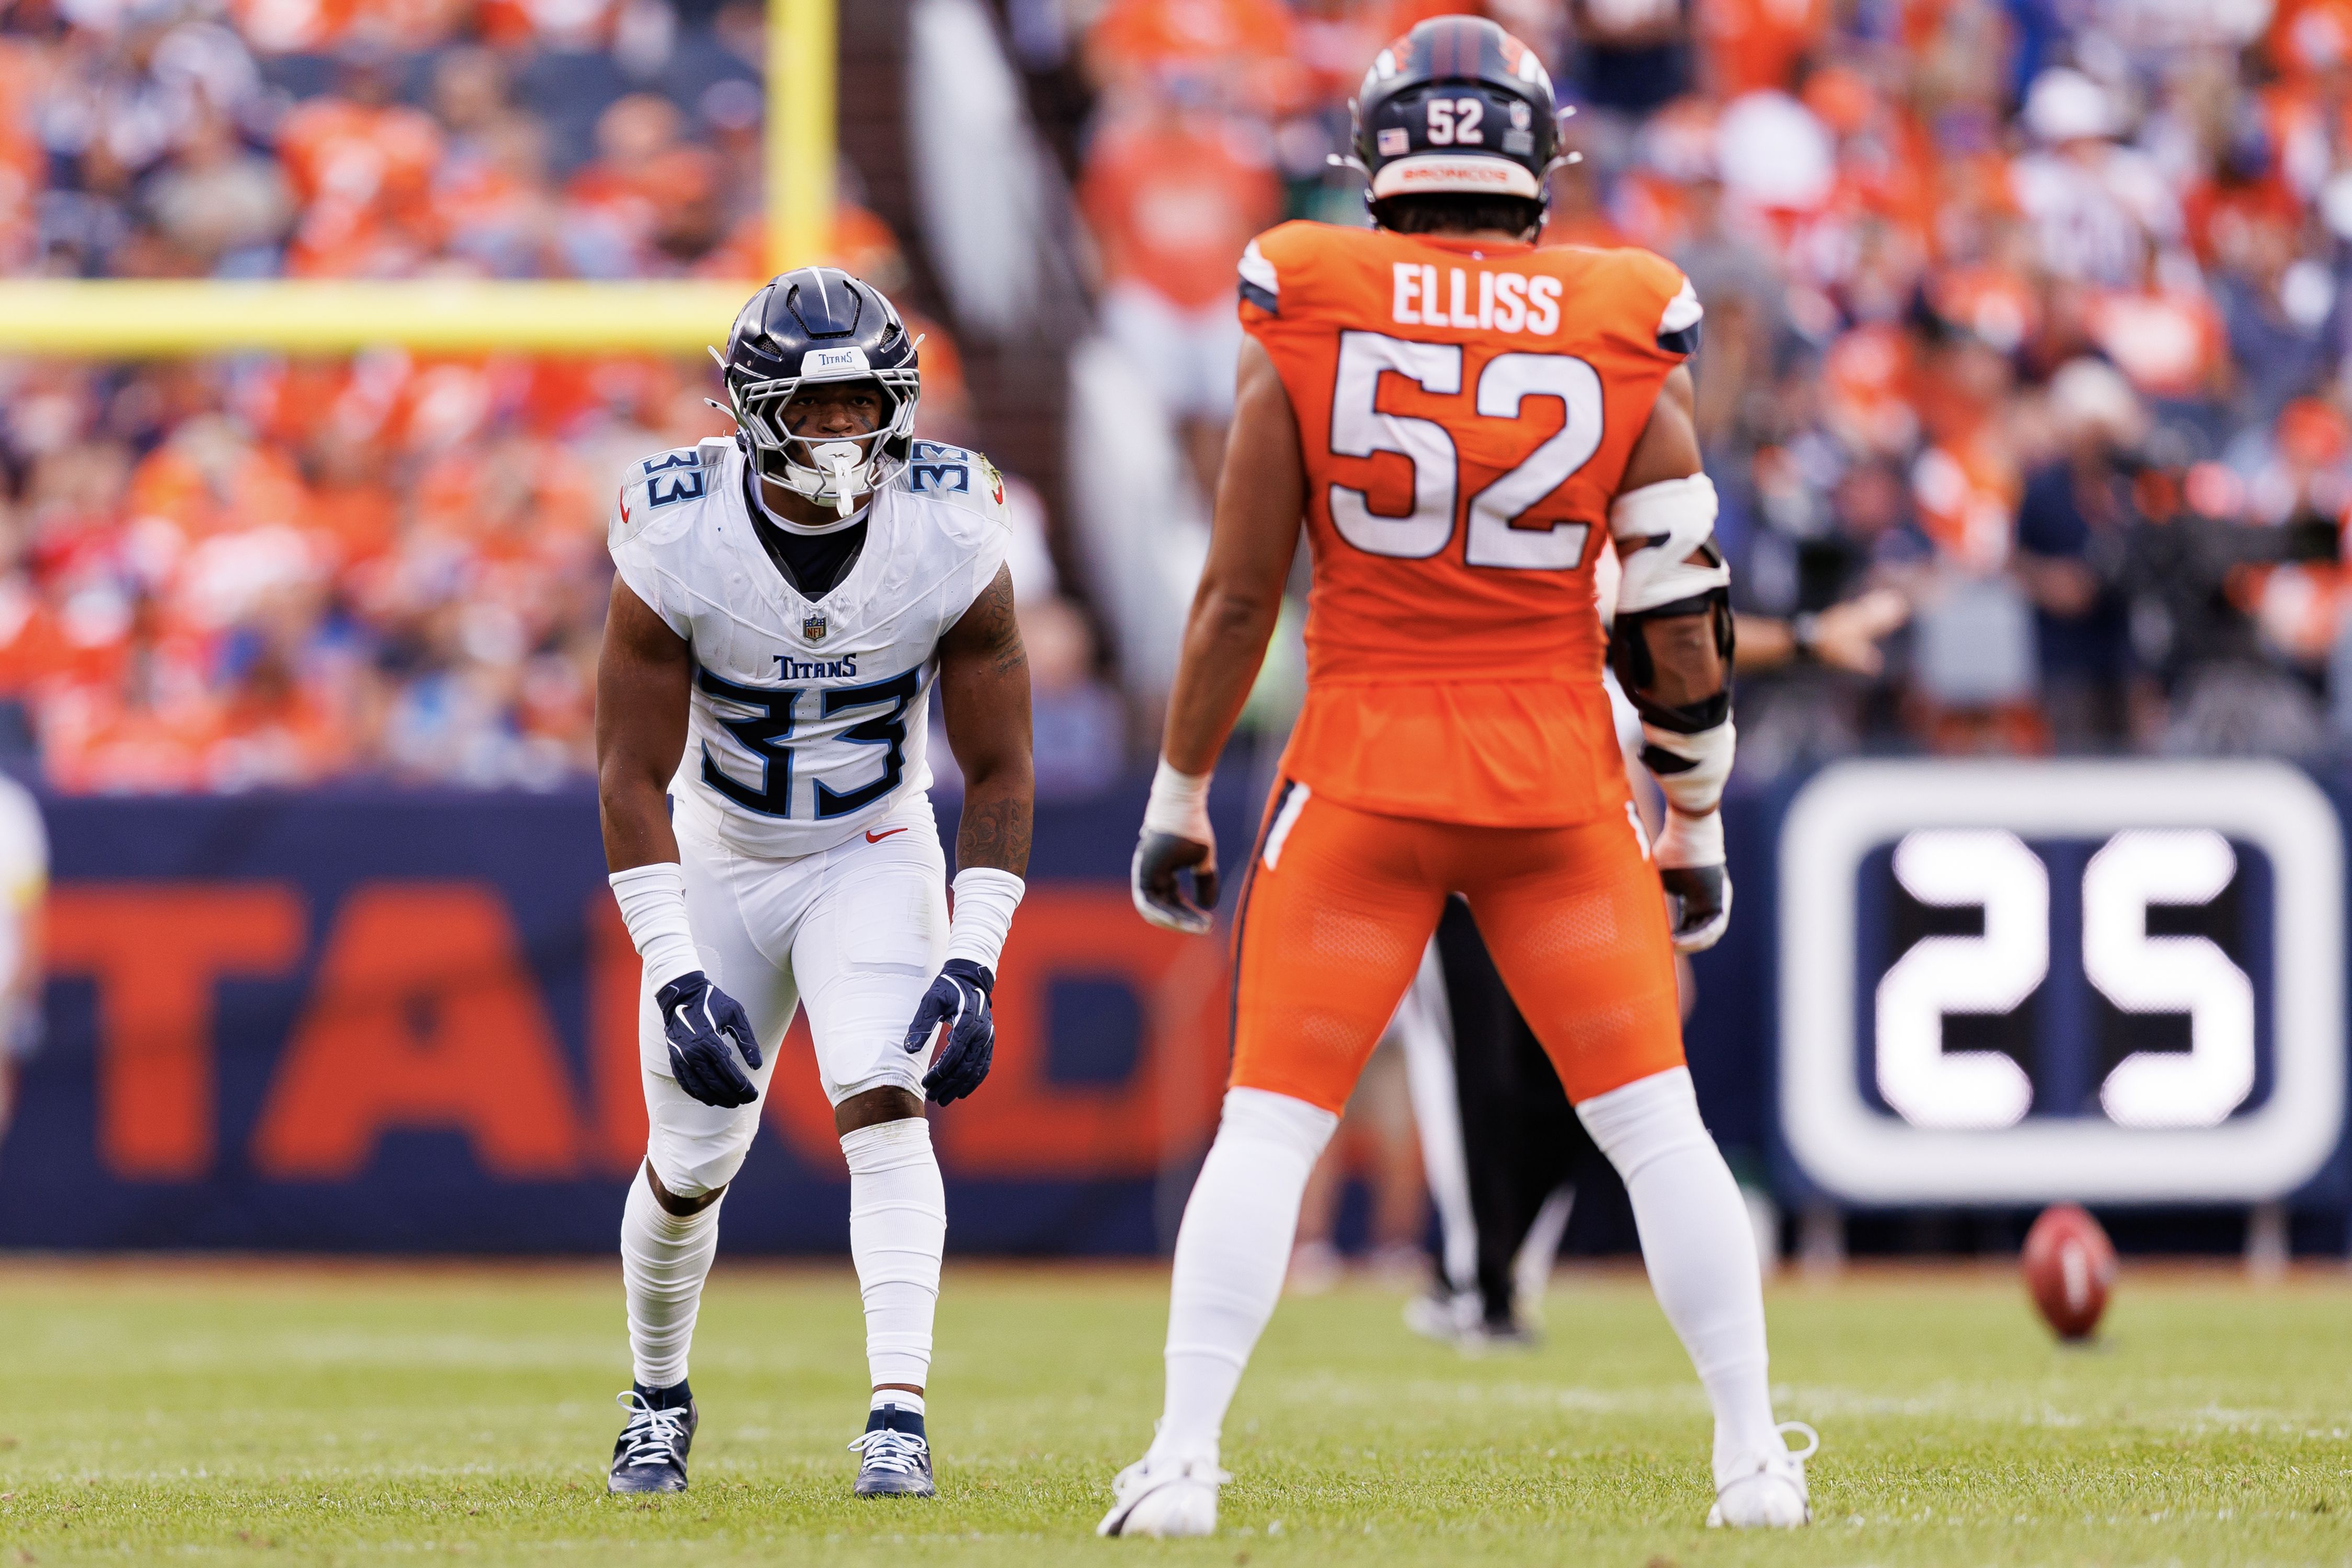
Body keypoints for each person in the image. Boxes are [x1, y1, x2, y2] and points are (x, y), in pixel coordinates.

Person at [1106, 17, 1815, 1536]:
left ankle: (1180, 1460)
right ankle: (1751, 1456)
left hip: (1358, 770)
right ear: (1532, 161)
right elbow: (1682, 612)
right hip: (1556, 781)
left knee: (1268, 1128)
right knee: (1655, 1127)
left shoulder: (1311, 291)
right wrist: (1690, 812)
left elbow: (1240, 597)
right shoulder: (1619, 312)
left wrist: (1175, 794)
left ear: (1382, 155)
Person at [594, 266, 1034, 1499]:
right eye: (816, 406)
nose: (844, 432)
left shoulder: (951, 519)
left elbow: (999, 765)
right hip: (723, 848)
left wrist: (974, 954)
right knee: (690, 1165)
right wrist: (677, 975)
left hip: (874, 845)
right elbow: (629, 773)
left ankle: (899, 1414)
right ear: (748, 409)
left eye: (863, 405)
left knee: (885, 1100)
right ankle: (658, 1396)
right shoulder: (676, 523)